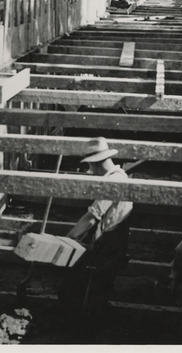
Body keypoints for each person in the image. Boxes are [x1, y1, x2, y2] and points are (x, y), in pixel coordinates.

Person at [57, 137, 133, 328]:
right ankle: (90, 322)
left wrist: (67, 238)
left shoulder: (113, 182)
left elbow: (92, 217)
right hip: (113, 240)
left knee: (72, 286)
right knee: (96, 287)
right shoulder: (120, 175)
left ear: (95, 162)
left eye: (90, 165)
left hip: (110, 243)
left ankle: (79, 328)